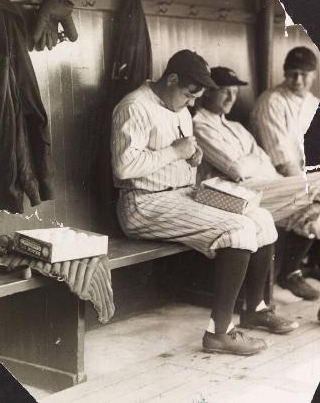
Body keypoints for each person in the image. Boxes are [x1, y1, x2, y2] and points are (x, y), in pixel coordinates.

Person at [111, 50, 297, 357]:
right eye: (189, 94)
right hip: (143, 204)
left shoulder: (180, 107)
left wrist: (192, 157)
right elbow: (123, 167)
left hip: (180, 195)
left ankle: (256, 309)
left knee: (260, 218)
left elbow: (180, 152)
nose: (192, 103)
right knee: (238, 229)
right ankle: (218, 334)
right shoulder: (134, 106)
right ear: (171, 79)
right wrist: (176, 152)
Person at [193, 65, 320, 301]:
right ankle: (285, 278)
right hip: (233, 193)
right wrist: (252, 159)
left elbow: (265, 164)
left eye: (235, 92)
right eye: (224, 91)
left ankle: (289, 276)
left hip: (263, 186)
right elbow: (236, 169)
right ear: (207, 92)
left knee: (315, 213)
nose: (231, 97)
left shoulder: (236, 127)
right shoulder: (199, 125)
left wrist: (249, 160)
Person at [251, 46, 319, 178]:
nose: (298, 80)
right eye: (292, 73)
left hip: (308, 176)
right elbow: (282, 163)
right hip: (276, 178)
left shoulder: (314, 103)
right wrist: (307, 188)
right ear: (284, 73)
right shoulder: (271, 101)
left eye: (303, 74)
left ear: (314, 74)